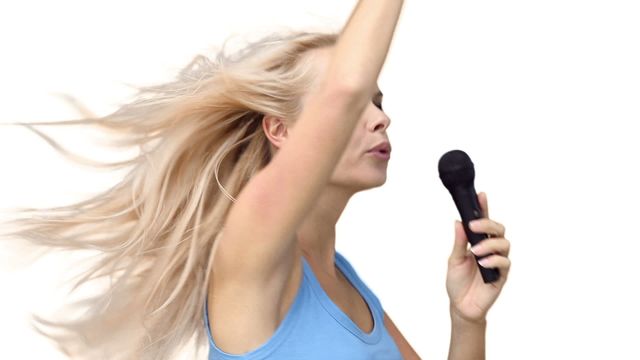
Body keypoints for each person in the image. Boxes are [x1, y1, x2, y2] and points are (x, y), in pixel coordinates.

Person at [1, 0, 511, 359]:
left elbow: (342, 90)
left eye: (378, 103)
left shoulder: (345, 281)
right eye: (356, 107)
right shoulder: (250, 247)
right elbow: (343, 87)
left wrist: (468, 319)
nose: (380, 118)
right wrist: (346, 91)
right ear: (280, 131)